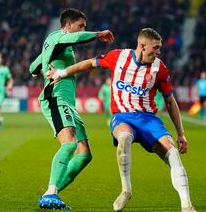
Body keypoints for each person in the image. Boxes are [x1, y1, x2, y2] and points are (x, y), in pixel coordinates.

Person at [47, 28, 196, 212]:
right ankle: (126, 190)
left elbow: (170, 101)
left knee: (173, 154)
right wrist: (62, 73)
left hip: (149, 120)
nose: (158, 52)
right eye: (155, 48)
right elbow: (89, 64)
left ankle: (187, 206)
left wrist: (181, 133)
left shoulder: (160, 68)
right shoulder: (118, 57)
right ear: (142, 46)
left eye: (159, 49)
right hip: (123, 117)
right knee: (124, 138)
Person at [29, 8, 114, 210]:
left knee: (84, 154)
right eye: (80, 25)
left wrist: (36, 72)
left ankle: (52, 193)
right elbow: (76, 38)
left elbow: (34, 65)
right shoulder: (59, 37)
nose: (82, 29)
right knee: (68, 145)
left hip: (68, 103)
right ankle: (51, 193)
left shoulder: (54, 44)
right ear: (68, 25)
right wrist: (97, 34)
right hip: (56, 97)